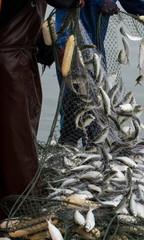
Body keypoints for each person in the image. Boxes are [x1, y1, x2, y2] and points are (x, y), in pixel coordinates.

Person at [55, 0, 144, 147]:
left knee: (99, 107)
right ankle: (67, 150)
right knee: (73, 103)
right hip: (68, 47)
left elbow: (134, 4)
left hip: (96, 52)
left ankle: (92, 153)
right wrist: (101, 2)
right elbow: (64, 4)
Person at [0, 0, 82, 223]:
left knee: (19, 135)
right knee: (16, 142)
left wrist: (43, 48)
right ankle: (21, 207)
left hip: (20, 61)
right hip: (7, 67)